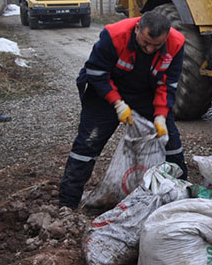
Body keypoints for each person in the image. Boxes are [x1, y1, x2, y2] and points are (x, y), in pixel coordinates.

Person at [58, 11, 187, 209]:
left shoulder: (176, 43)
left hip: (145, 93)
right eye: (145, 43)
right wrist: (117, 103)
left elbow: (167, 83)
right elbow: (96, 72)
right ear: (137, 29)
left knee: (171, 143)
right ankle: (67, 203)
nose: (150, 49)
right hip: (104, 91)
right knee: (88, 144)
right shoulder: (114, 35)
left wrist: (161, 115)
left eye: (157, 46)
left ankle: (181, 199)